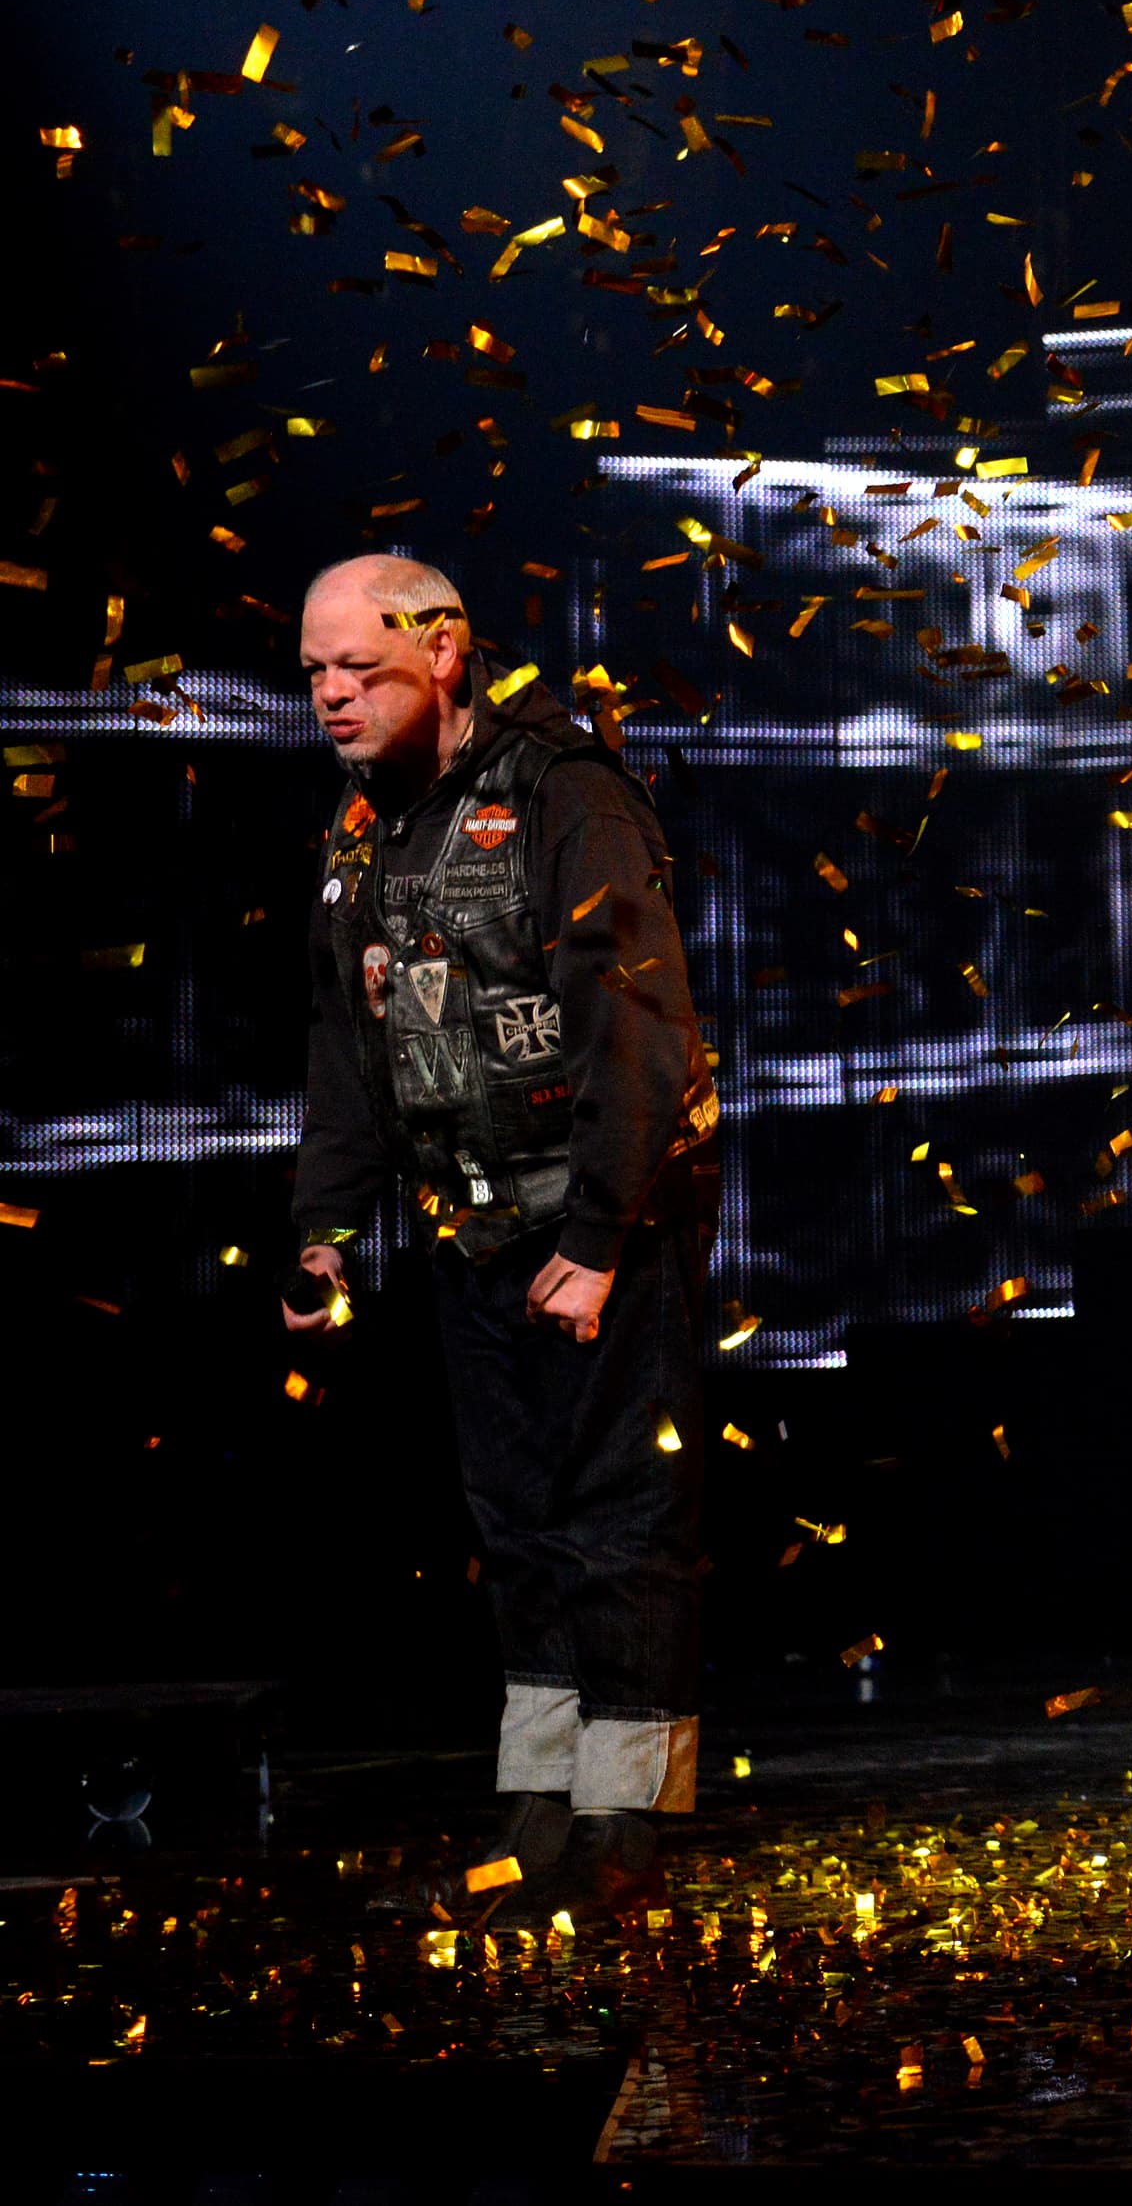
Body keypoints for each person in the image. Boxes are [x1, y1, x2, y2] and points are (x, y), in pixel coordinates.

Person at [284, 554, 719, 1923]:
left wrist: (598, 1229)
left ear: (446, 655)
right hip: (469, 1233)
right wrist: (326, 1227)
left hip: (603, 1223)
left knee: (619, 1516)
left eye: (361, 666)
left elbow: (636, 1016)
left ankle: (628, 1810)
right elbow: (350, 1044)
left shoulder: (561, 795)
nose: (334, 693)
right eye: (315, 671)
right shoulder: (362, 830)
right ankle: (543, 1800)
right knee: (515, 1519)